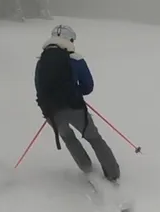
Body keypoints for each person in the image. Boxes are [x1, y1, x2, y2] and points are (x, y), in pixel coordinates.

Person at [34, 24, 120, 183]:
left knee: (68, 138)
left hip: (51, 112)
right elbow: (88, 86)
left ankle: (87, 169)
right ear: (69, 39)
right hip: (75, 108)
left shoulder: (41, 61)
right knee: (94, 138)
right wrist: (74, 92)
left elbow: (39, 87)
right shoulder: (75, 58)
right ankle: (112, 173)